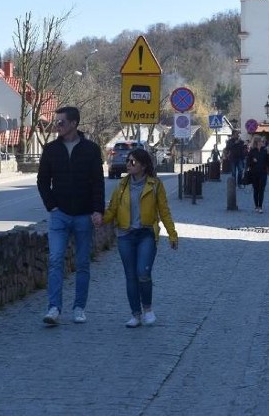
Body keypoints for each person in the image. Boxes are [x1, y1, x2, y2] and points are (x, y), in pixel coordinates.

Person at [37, 106, 105, 326]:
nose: (57, 126)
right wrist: (52, 206)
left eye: (61, 122)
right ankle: (54, 308)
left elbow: (98, 182)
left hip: (84, 215)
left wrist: (97, 210)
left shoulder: (91, 150)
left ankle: (79, 308)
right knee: (55, 260)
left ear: (74, 123)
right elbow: (42, 182)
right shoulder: (50, 150)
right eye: (56, 122)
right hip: (60, 215)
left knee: (83, 263)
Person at [103, 148, 178, 328]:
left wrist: (172, 234)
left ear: (143, 166)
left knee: (143, 274)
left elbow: (164, 211)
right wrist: (100, 220)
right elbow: (112, 209)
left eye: (133, 162)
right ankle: (135, 315)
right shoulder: (122, 185)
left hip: (146, 234)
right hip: (125, 235)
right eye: (128, 161)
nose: (128, 164)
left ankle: (148, 309)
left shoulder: (155, 185)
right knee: (130, 276)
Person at [247, 135, 269, 213]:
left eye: (263, 141)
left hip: (263, 173)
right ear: (257, 142)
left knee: (262, 190)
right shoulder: (252, 151)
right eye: (261, 141)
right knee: (256, 190)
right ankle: (256, 206)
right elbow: (248, 163)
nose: (263, 143)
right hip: (254, 173)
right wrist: (252, 161)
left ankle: (260, 206)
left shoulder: (265, 150)